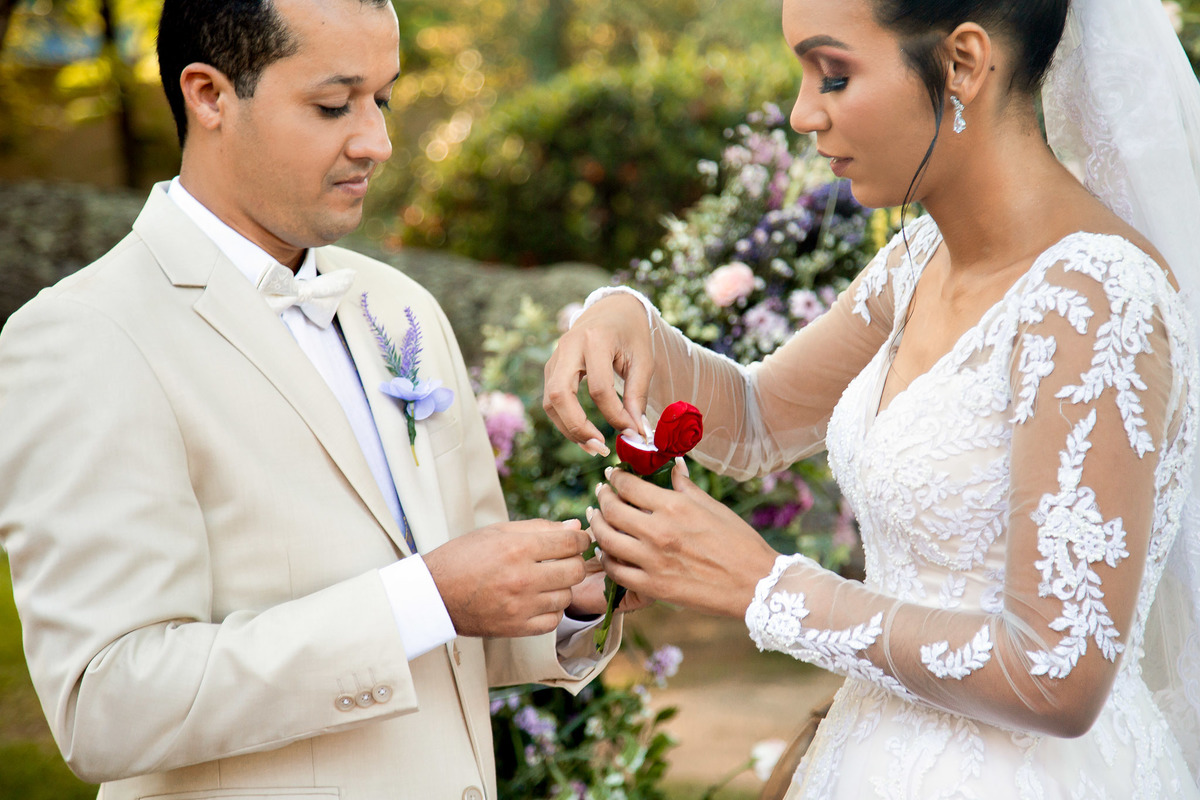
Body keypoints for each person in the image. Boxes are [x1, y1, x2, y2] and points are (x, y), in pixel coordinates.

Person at [545, 0, 1200, 796]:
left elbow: (1056, 672)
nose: (801, 113)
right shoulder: (922, 257)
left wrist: (763, 587)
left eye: (834, 74)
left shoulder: (1094, 299)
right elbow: (756, 422)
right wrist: (629, 318)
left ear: (962, 63)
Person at [0, 1, 625, 798]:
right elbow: (107, 703)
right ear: (209, 95)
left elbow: (456, 614)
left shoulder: (402, 308)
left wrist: (569, 596)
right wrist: (420, 596)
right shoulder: (84, 336)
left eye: (384, 99)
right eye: (335, 104)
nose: (377, 141)